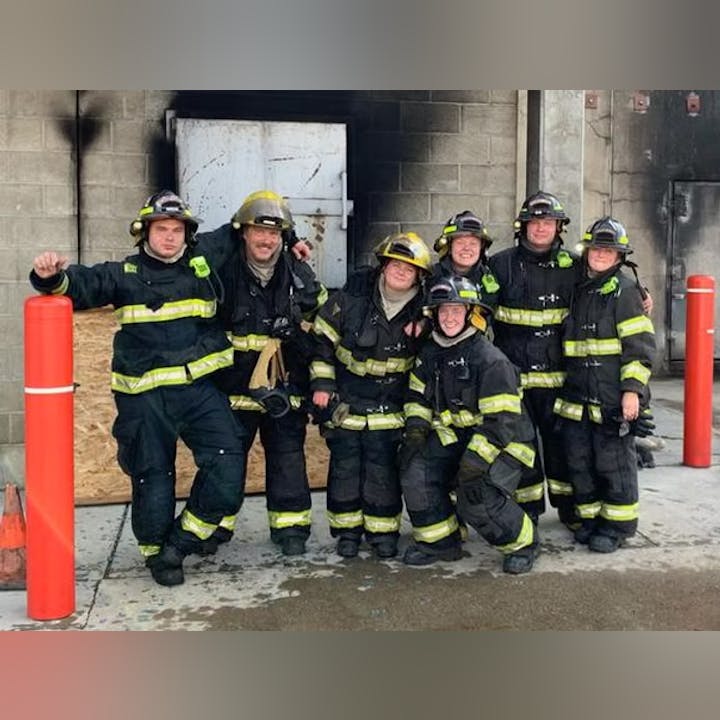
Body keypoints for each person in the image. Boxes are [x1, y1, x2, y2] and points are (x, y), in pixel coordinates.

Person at [29, 191, 245, 586]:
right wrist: (50, 277)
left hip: (199, 393)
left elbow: (246, 224)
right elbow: (81, 285)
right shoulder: (123, 274)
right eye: (162, 229)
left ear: (187, 234)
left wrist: (294, 237)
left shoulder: (202, 263)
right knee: (152, 477)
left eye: (177, 230)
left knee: (229, 464)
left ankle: (180, 543)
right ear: (144, 232)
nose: (169, 237)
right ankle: (156, 555)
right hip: (145, 399)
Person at [200, 190, 327, 557]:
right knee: (226, 461)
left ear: (284, 237)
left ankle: (290, 529)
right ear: (242, 232)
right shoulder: (222, 272)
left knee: (287, 457)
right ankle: (214, 527)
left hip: (283, 390)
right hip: (231, 391)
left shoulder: (298, 273)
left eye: (275, 233)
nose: (266, 240)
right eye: (258, 230)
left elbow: (324, 325)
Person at [400, 275, 540, 573]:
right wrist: (415, 429)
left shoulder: (490, 360)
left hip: (506, 443)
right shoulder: (430, 352)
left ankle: (523, 543)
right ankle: (441, 541)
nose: (450, 317)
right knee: (416, 470)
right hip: (457, 437)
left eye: (457, 310)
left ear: (470, 314)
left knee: (475, 491)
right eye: (443, 310)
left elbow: (501, 423)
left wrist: (475, 460)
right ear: (434, 315)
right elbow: (417, 396)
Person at [310, 232, 431, 559]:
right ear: (383, 266)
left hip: (390, 406)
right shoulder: (351, 299)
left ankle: (382, 533)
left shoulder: (427, 312)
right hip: (347, 402)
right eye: (396, 264)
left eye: (410, 268)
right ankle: (348, 533)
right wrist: (323, 387)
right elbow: (321, 342)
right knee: (345, 469)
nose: (401, 272)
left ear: (419, 276)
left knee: (382, 470)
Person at [553, 217, 656, 553]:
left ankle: (616, 527)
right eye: (596, 248)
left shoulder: (625, 291)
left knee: (613, 465)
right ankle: (591, 520)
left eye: (608, 250)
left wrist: (632, 392)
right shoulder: (581, 287)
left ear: (619, 256)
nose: (600, 254)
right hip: (579, 397)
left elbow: (639, 347)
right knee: (581, 462)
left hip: (611, 398)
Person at [431, 210, 500, 324]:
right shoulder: (432, 277)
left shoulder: (488, 281)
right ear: (449, 246)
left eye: (473, 243)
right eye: (460, 242)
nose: (466, 248)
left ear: (481, 248)